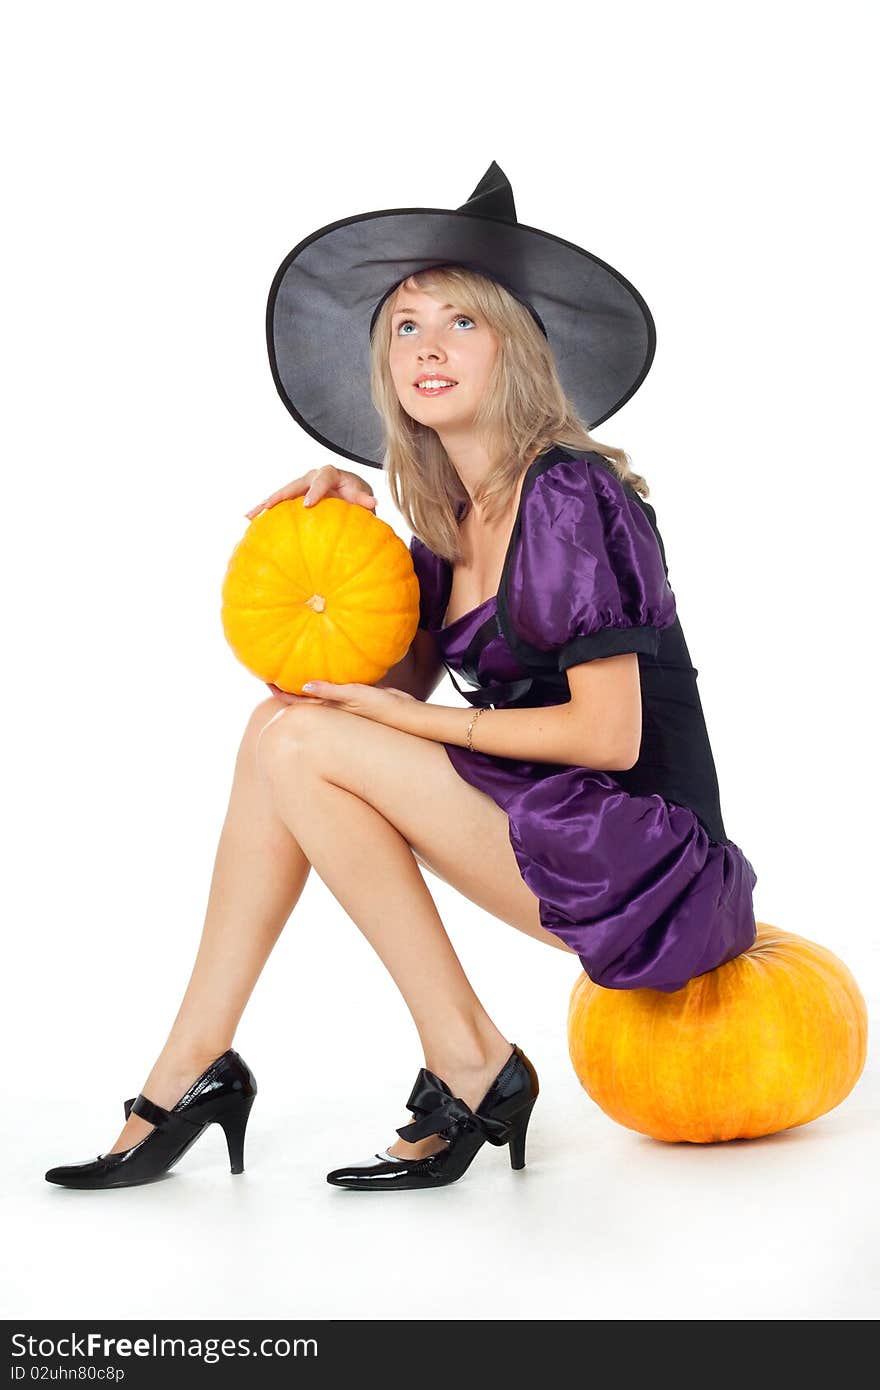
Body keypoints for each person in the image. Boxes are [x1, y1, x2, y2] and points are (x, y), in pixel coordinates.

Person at [44, 165, 758, 1193]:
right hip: (563, 830)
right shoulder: (454, 518)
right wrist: (344, 533)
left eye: (462, 321)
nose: (426, 344)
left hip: (656, 870)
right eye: (405, 324)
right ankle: (196, 1062)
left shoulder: (568, 495)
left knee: (297, 738)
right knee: (280, 729)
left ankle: (462, 1058)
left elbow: (607, 737)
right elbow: (359, 698)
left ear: (515, 346)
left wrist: (402, 723)